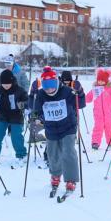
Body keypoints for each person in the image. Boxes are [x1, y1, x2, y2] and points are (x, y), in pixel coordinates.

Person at [31, 67, 80, 198]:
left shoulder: (66, 91)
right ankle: (55, 174)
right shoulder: (41, 94)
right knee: (53, 154)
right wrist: (33, 97)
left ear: (57, 83)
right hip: (51, 128)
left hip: (68, 126)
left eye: (51, 86)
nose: (49, 90)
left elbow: (80, 104)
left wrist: (79, 92)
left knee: (68, 151)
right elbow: (36, 109)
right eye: (46, 87)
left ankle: (70, 179)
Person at [0, 69, 28, 165]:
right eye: (4, 84)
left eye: (8, 83)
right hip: (3, 116)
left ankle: (21, 154)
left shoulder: (19, 90)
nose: (6, 86)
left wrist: (23, 104)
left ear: (12, 81)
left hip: (16, 116)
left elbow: (27, 100)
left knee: (15, 136)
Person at [86, 68, 111, 150]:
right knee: (98, 127)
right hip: (98, 113)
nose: (100, 82)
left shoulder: (110, 89)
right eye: (99, 80)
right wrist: (81, 97)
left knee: (109, 128)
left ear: (106, 80)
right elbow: (88, 98)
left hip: (109, 113)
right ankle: (95, 143)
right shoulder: (95, 89)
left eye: (102, 80)